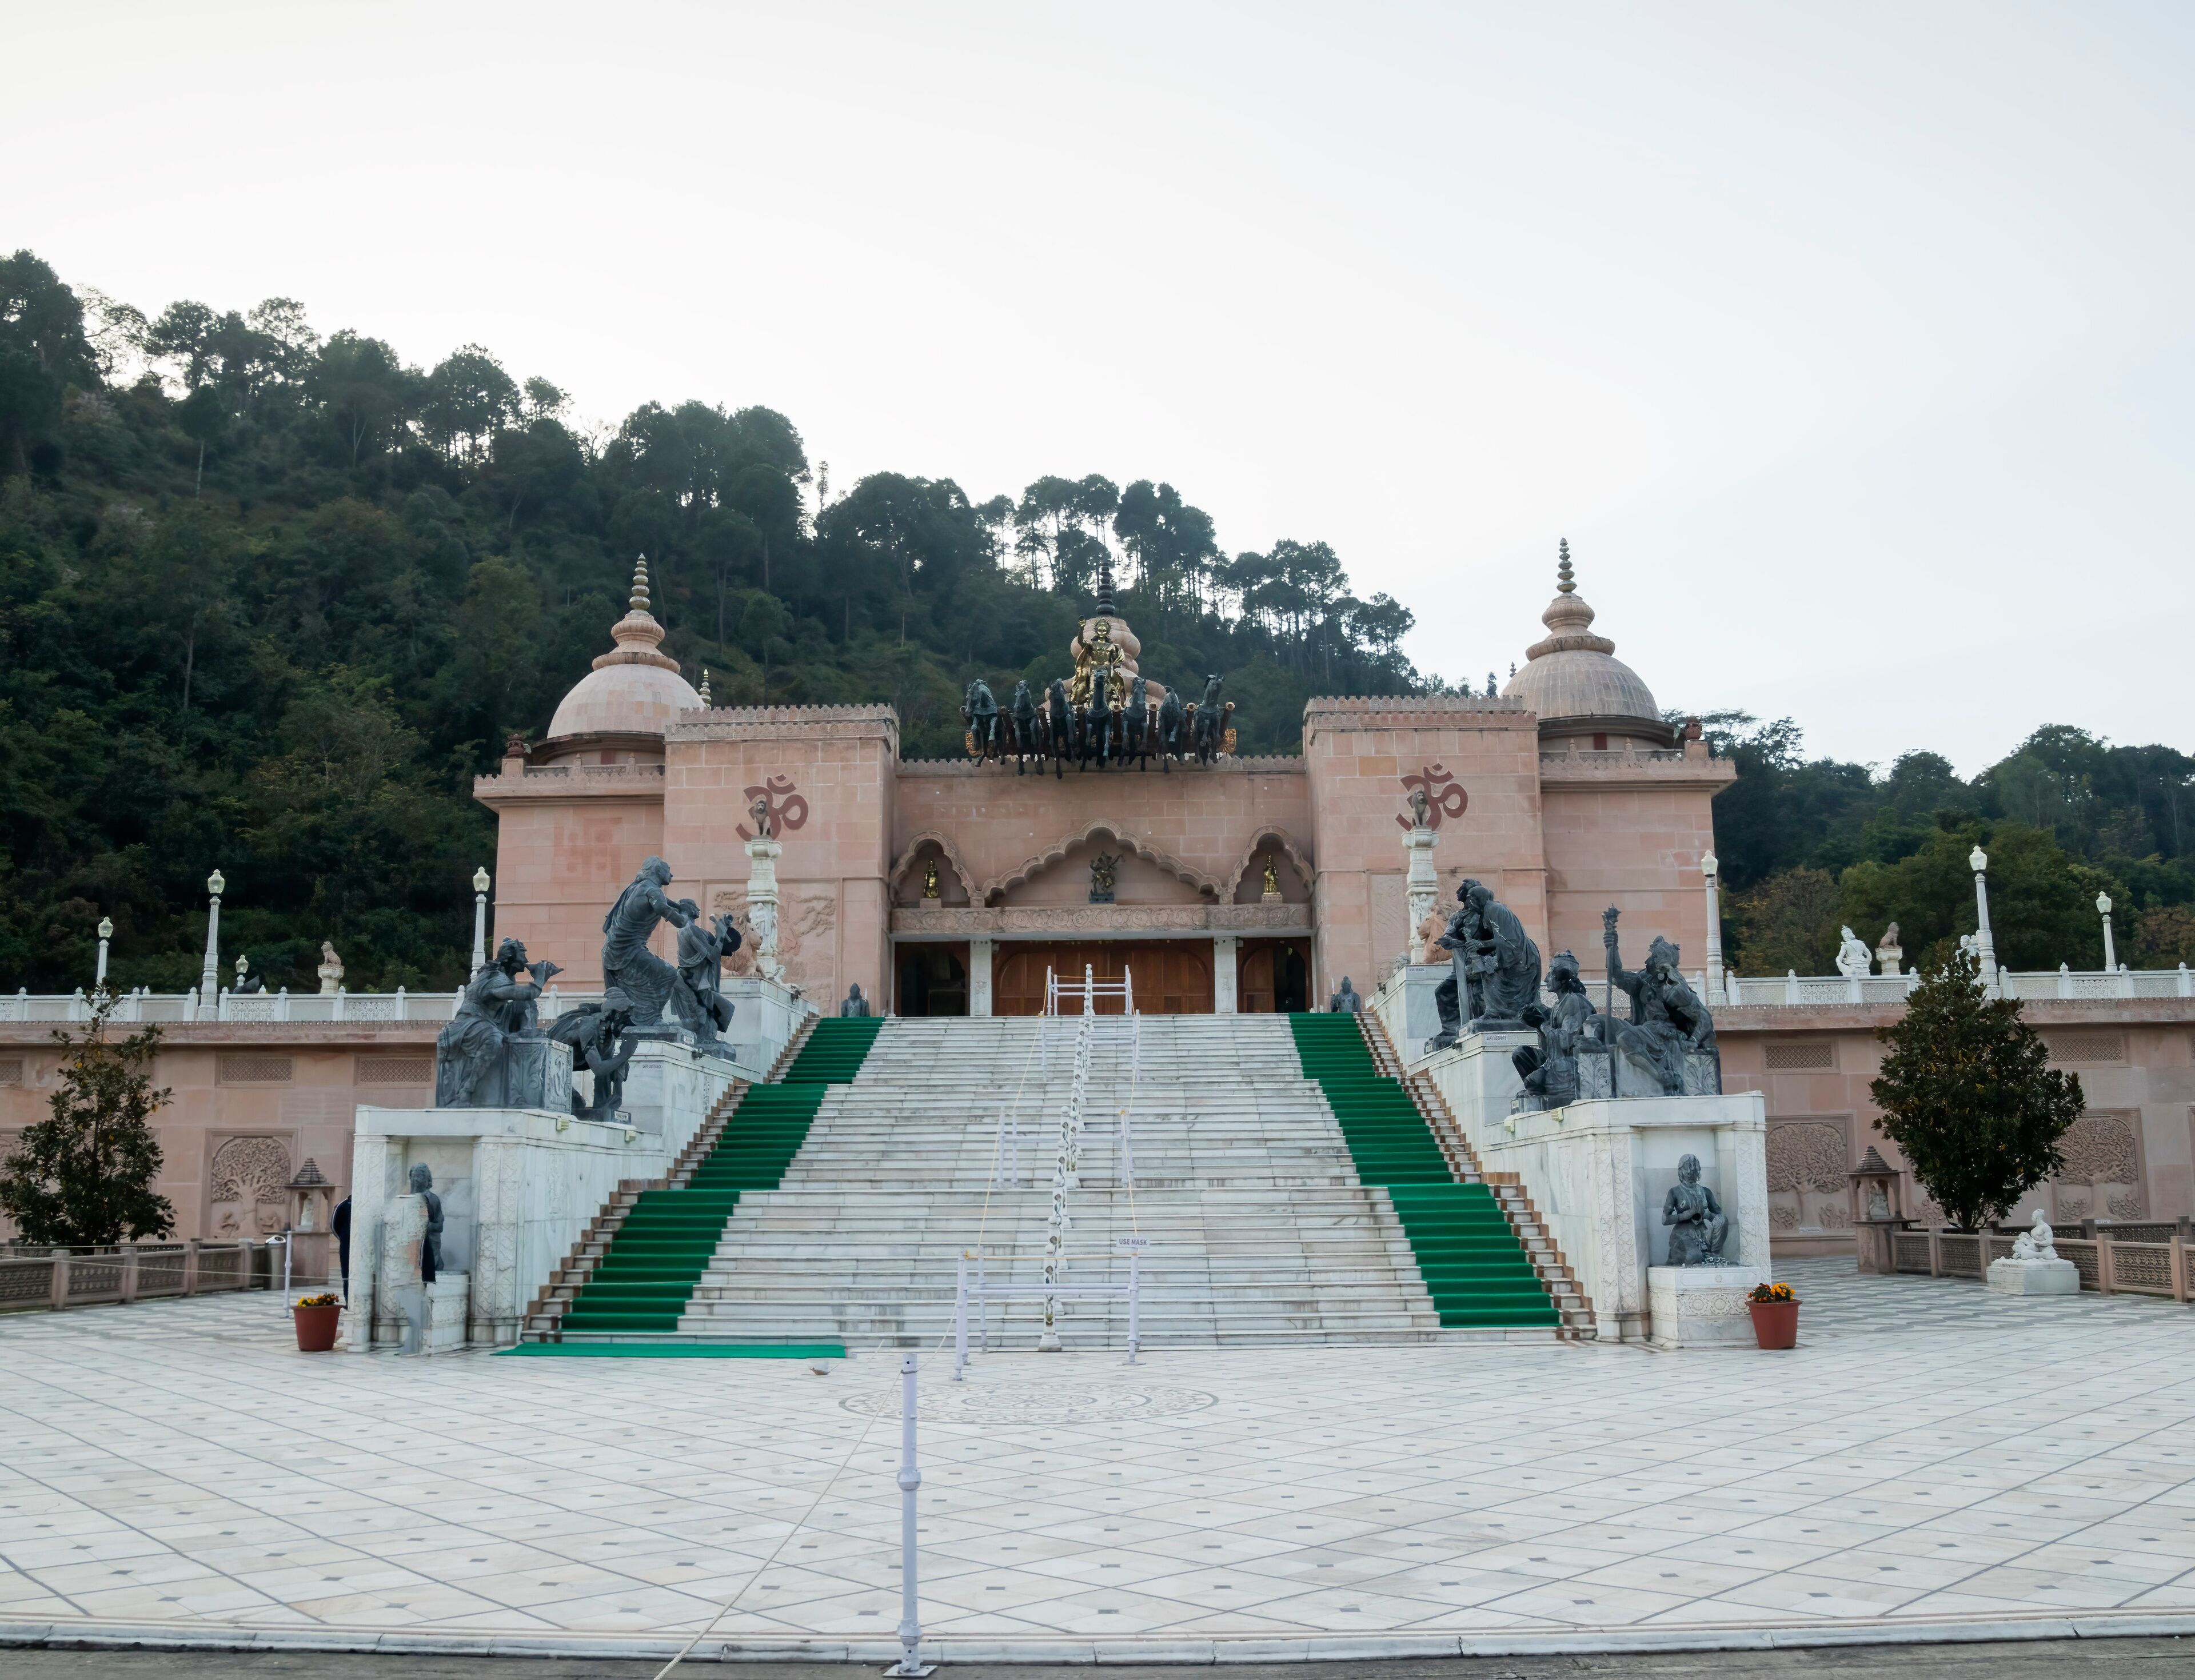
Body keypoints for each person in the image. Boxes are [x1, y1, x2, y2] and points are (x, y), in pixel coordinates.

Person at [331, 1194, 352, 1301]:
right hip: (347, 1246)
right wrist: (344, 1239)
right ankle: (348, 1299)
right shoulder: (343, 1206)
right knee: (347, 1272)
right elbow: (334, 1226)